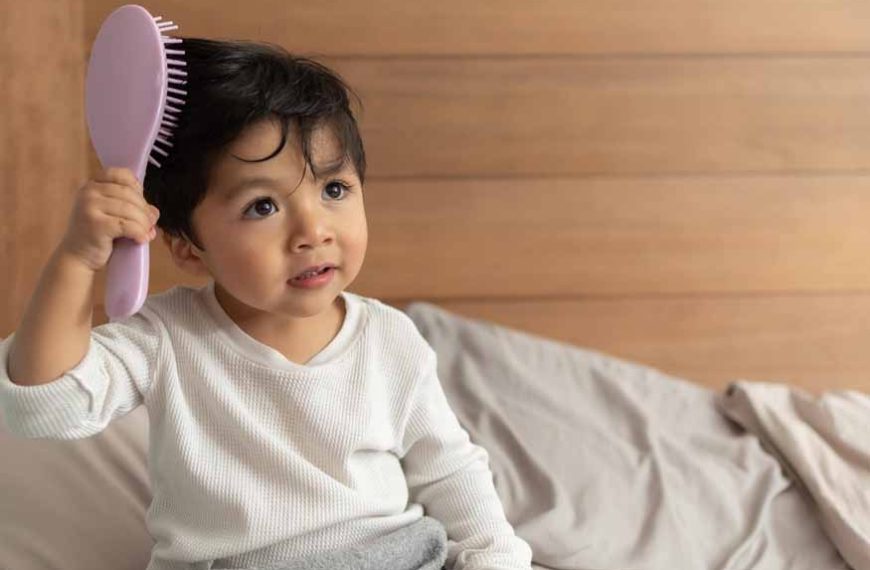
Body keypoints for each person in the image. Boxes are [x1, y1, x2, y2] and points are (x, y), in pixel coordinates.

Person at [0, 39, 533, 570]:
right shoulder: (166, 337)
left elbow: (450, 472)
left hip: (390, 557)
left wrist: (495, 558)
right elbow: (45, 405)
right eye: (263, 206)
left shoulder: (391, 340)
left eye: (335, 190)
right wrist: (76, 259)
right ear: (187, 246)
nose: (312, 232)